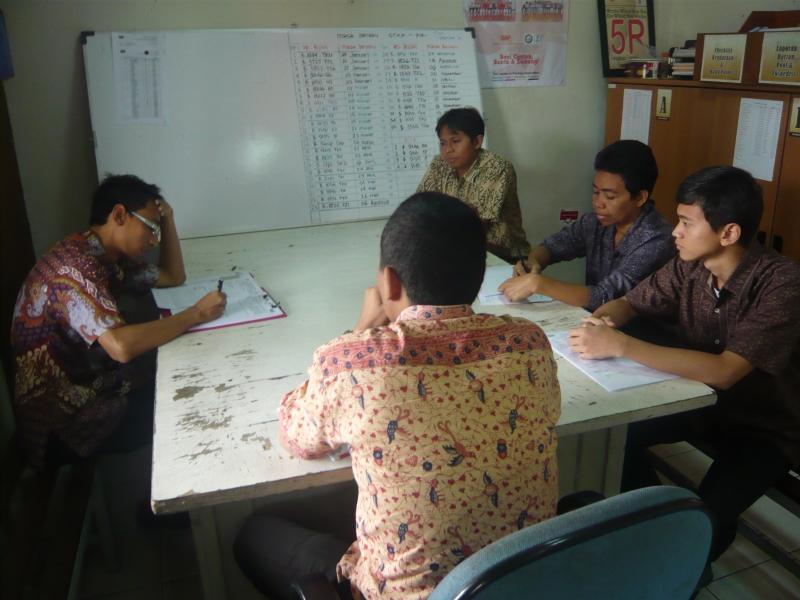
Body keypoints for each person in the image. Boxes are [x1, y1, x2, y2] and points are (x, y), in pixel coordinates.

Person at [233, 192, 561, 600]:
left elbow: (295, 437)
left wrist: (360, 330)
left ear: (388, 281)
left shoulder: (352, 362)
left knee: (255, 532)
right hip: (521, 584)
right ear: (478, 277)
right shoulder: (530, 343)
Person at [565, 166, 800, 568]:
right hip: (700, 403)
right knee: (616, 437)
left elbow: (725, 371)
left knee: (707, 517)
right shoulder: (690, 264)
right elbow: (630, 303)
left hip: (765, 427)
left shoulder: (783, 283)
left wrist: (621, 344)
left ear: (728, 233)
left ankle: (682, 563)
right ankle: (658, 525)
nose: (675, 231)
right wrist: (602, 322)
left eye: (687, 222)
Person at [11, 174, 227, 469]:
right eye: (150, 227)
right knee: (189, 406)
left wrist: (168, 220)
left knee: (184, 377)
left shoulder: (106, 259)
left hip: (94, 388)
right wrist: (197, 313)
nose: (154, 240)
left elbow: (173, 276)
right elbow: (121, 347)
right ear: (119, 215)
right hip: (60, 425)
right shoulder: (73, 268)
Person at [499, 140, 676, 312]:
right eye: (595, 192)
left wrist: (538, 284)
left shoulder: (657, 239)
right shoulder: (598, 221)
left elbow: (606, 296)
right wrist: (533, 261)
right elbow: (555, 245)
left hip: (636, 328)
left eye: (610, 197)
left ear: (640, 197)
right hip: (595, 321)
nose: (598, 203)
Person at [415, 107, 531, 263]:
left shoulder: (497, 168)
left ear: (477, 142)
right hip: (455, 251)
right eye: (443, 143)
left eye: (456, 141)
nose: (448, 150)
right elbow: (420, 206)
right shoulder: (439, 163)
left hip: (502, 257)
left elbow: (474, 225)